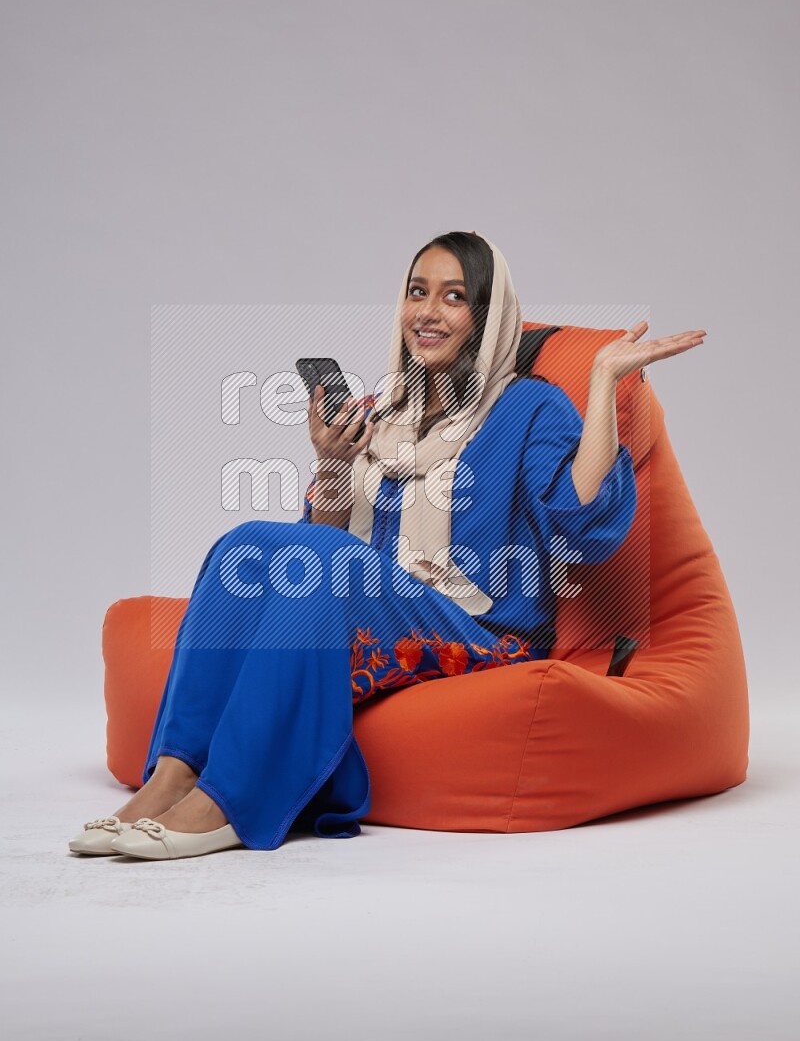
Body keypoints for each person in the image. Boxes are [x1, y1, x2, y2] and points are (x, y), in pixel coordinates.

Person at [69, 230, 705, 860]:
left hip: (482, 629)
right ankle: (172, 777)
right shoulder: (380, 412)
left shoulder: (530, 406)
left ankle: (230, 803)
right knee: (244, 544)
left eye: (454, 297)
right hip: (378, 600)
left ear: (487, 317)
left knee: (324, 563)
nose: (427, 312)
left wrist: (601, 382)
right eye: (416, 292)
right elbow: (318, 553)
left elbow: (581, 522)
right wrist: (332, 463)